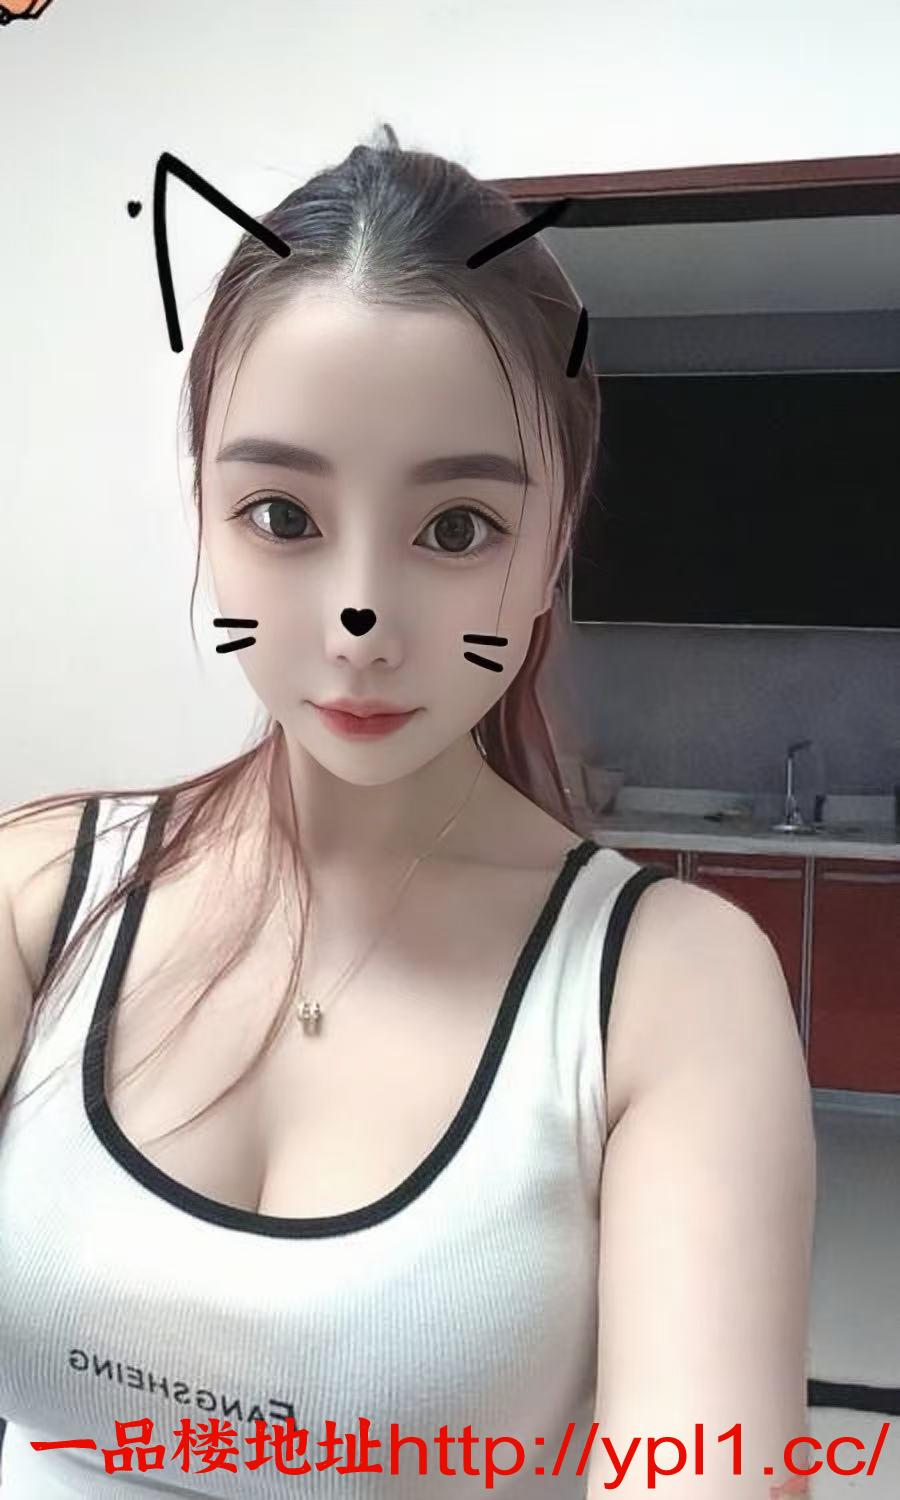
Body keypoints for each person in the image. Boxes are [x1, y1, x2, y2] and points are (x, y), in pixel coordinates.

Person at [0, 124, 815, 1498]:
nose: (358, 622)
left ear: (553, 543)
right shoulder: (41, 891)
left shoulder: (670, 990)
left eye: (456, 529)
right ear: (202, 509)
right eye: (281, 514)